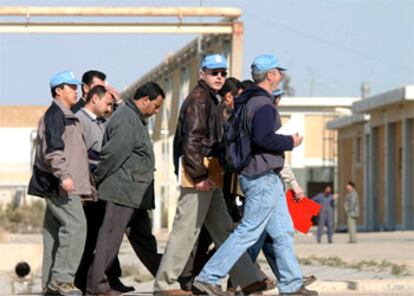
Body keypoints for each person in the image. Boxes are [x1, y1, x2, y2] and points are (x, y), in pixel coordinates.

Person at [194, 54, 317, 296]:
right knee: (248, 230)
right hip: (261, 177)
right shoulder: (263, 105)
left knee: (282, 232)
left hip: (264, 176)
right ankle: (208, 277)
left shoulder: (250, 101)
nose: (281, 75)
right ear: (270, 75)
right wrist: (291, 141)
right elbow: (264, 139)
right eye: (279, 72)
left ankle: (292, 285)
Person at [154, 54, 270, 296]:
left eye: (222, 73)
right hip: (200, 171)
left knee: (224, 229)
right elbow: (191, 142)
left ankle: (248, 279)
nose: (219, 77)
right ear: (202, 74)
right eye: (213, 72)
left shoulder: (211, 99)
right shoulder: (199, 101)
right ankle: (164, 285)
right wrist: (198, 176)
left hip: (211, 170)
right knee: (185, 230)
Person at [86, 82, 165, 296]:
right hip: (122, 191)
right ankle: (96, 286)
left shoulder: (134, 118)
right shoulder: (127, 120)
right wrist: (97, 180)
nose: (157, 112)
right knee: (109, 239)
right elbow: (112, 155)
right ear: (145, 100)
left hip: (135, 193)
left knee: (145, 242)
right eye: (156, 106)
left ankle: (170, 279)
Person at [28, 70, 94, 296]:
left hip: (63, 183)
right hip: (60, 184)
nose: (76, 91)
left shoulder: (67, 114)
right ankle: (62, 280)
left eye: (76, 87)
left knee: (54, 233)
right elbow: (53, 150)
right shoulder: (55, 115)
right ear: (59, 90)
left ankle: (50, 284)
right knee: (76, 227)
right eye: (71, 87)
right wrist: (64, 175)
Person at [73, 85, 134, 294]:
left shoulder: (101, 121)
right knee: (88, 239)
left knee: (99, 237)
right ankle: (82, 282)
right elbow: (80, 156)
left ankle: (98, 280)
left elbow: (123, 126)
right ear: (95, 99)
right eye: (107, 103)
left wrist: (119, 103)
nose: (109, 108)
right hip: (87, 189)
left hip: (100, 188)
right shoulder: (79, 121)